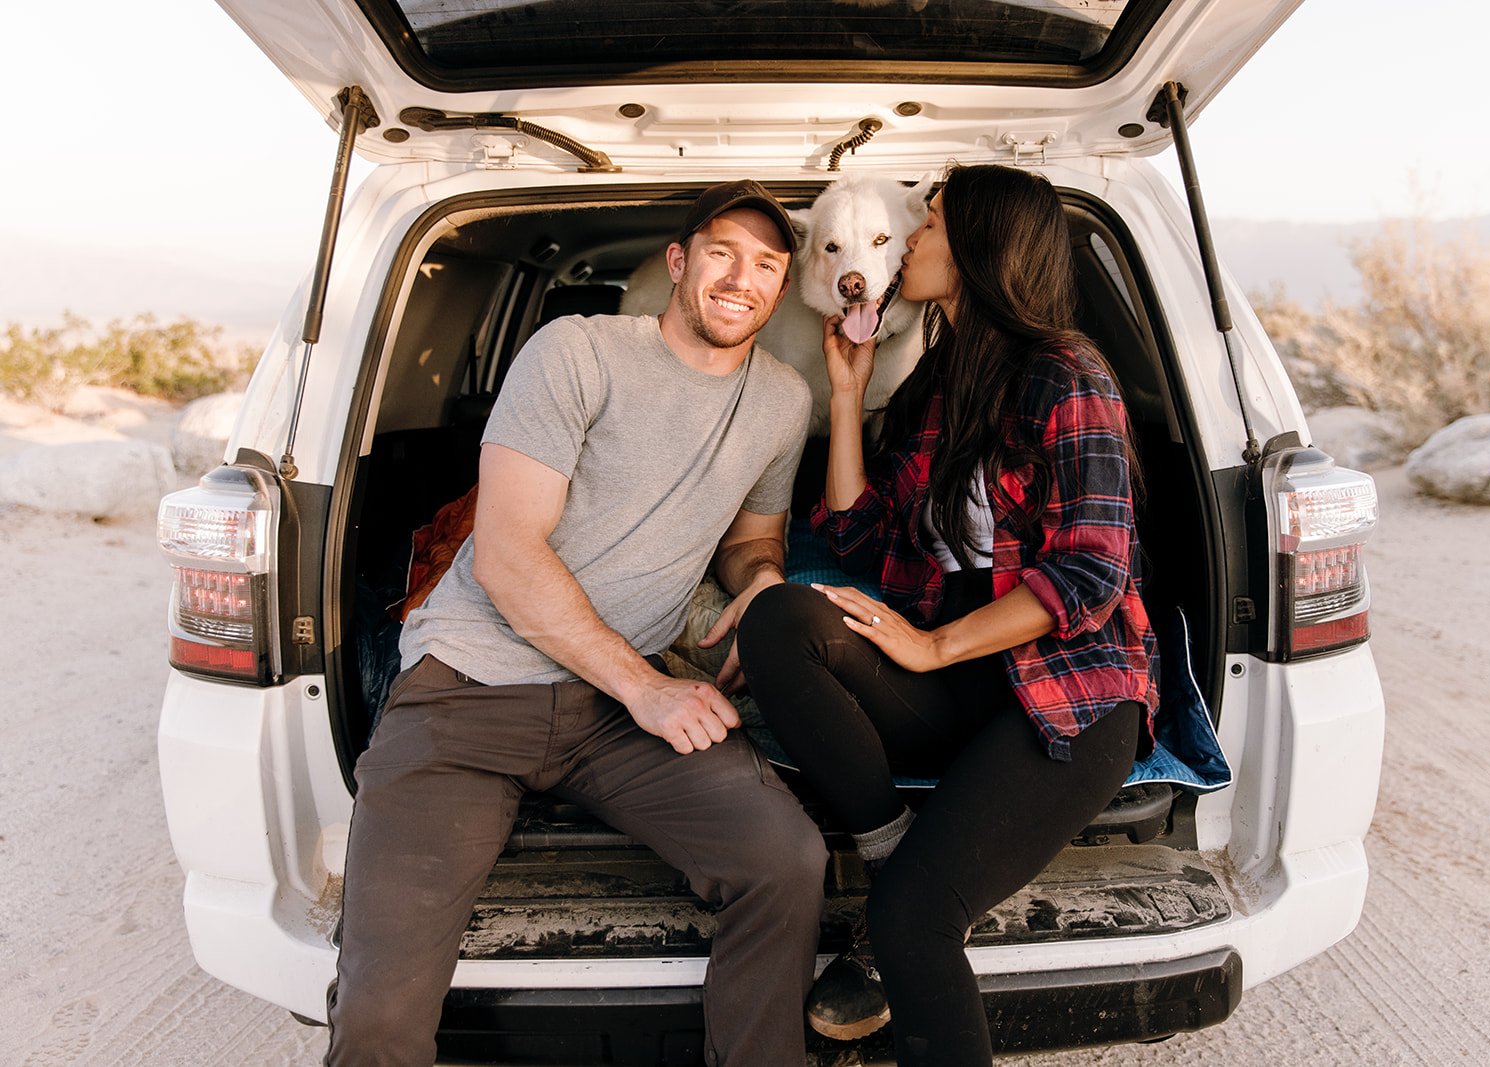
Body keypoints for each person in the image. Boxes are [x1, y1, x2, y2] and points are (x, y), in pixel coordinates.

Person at [327, 180, 827, 1067]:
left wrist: (761, 590)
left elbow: (752, 539)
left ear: (781, 288)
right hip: (469, 692)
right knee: (379, 1012)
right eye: (720, 251)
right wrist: (649, 689)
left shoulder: (784, 402)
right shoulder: (578, 353)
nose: (739, 278)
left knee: (784, 859)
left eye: (766, 264)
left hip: (614, 715)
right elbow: (507, 555)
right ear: (677, 263)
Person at [739, 164, 1160, 1066]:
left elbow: (1091, 570)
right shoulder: (935, 383)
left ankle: (904, 888)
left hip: (1067, 695)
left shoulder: (1067, 373)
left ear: (974, 247)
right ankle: (893, 842)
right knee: (779, 619)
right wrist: (846, 397)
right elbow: (864, 540)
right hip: (958, 677)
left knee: (911, 926)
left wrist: (931, 645)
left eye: (926, 228)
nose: (912, 243)